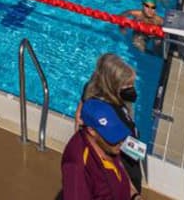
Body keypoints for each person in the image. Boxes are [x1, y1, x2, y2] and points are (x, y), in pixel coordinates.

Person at [75, 53, 145, 190]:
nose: (131, 89)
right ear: (112, 85)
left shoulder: (92, 89)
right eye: (127, 85)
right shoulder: (110, 116)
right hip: (123, 170)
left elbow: (78, 117)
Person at [62, 97, 139, 199]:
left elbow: (120, 169)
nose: (121, 142)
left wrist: (135, 195)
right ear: (91, 130)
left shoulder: (108, 145)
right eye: (114, 136)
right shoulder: (77, 167)